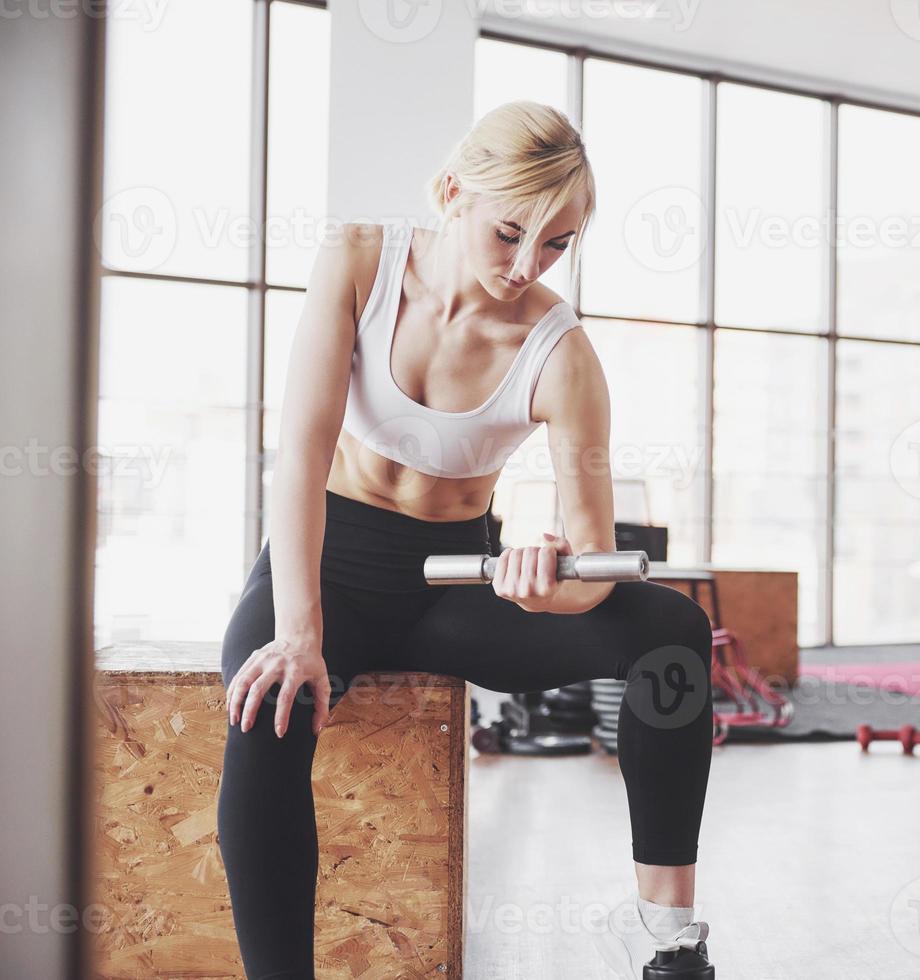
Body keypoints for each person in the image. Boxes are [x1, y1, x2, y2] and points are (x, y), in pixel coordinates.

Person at [216, 101, 716, 980]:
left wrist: (543, 584)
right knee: (270, 703)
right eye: (510, 233)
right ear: (453, 193)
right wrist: (298, 634)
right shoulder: (358, 262)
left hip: (453, 584)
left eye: (556, 245)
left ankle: (664, 930)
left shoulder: (561, 353)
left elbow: (592, 562)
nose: (526, 267)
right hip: (327, 571)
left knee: (670, 632)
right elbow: (295, 457)